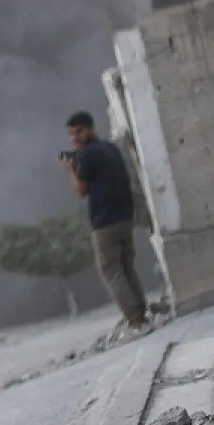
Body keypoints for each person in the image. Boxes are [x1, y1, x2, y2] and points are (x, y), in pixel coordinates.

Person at [59, 110, 149, 335]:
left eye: (78, 132)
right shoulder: (110, 148)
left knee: (111, 272)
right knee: (127, 268)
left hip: (105, 223)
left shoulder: (88, 156)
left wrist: (70, 170)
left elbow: (81, 189)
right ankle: (142, 311)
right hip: (124, 217)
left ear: (90, 128)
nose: (74, 138)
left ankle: (136, 320)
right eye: (71, 134)